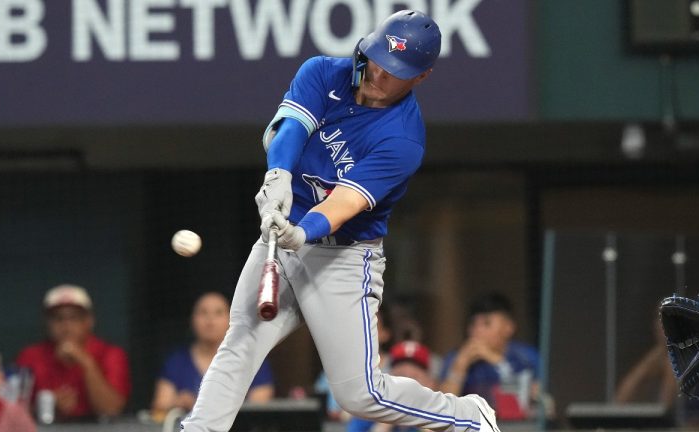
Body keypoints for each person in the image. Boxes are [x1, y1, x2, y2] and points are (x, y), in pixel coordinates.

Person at [181, 10, 499, 432]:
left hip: (344, 257)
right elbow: (292, 128)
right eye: (378, 59)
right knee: (241, 340)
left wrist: (302, 230)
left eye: (394, 71)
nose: (379, 74)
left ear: (419, 78)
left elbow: (344, 203)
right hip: (283, 231)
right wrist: (278, 175)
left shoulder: (402, 139)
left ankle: (467, 416)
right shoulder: (324, 73)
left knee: (360, 394)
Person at [151, 292, 274, 420]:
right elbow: (159, 409)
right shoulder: (176, 362)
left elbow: (259, 408)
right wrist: (177, 403)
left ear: (232, 319)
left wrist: (198, 405)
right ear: (192, 320)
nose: (210, 320)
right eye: (203, 313)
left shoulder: (251, 360)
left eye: (218, 313)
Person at [16, 284, 130, 421]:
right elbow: (11, 411)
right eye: (58, 319)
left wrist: (86, 362)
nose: (66, 326)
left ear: (89, 321)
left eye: (74, 318)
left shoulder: (110, 354)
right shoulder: (30, 356)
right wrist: (46, 404)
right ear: (47, 323)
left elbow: (110, 409)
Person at [440, 293, 538, 420]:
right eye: (473, 324)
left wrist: (497, 362)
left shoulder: (526, 357)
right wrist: (460, 366)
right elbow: (442, 412)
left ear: (509, 327)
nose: (477, 330)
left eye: (486, 323)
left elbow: (523, 407)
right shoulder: (456, 357)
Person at [347, 341, 437, 432]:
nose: (407, 384)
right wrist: (385, 423)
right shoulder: (368, 413)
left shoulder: (441, 416)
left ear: (430, 383)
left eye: (414, 377)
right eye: (400, 375)